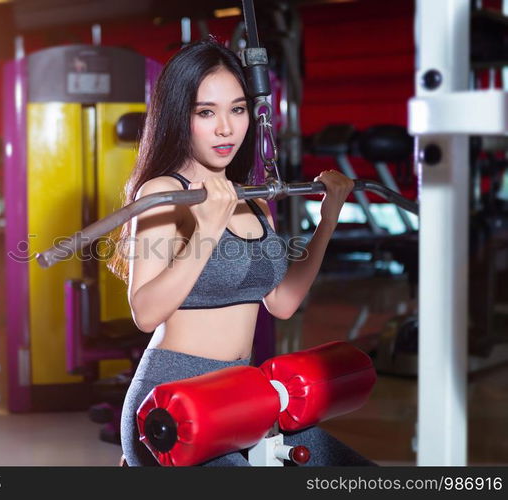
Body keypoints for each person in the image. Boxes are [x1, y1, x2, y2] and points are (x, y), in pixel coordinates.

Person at [106, 38, 374, 466]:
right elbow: (145, 312)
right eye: (206, 113)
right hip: (173, 401)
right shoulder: (162, 193)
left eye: (237, 109)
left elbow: (282, 302)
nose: (226, 128)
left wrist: (327, 221)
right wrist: (208, 229)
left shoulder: (253, 198)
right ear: (180, 116)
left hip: (242, 396)